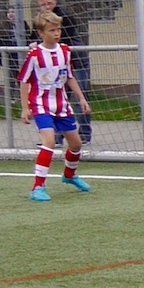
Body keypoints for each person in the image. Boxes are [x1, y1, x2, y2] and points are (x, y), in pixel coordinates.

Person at [19, 11, 92, 202]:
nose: (56, 33)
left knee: (76, 144)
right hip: (40, 104)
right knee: (49, 142)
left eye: (58, 29)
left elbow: (69, 77)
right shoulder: (35, 55)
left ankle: (69, 175)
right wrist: (25, 108)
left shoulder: (65, 51)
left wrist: (81, 98)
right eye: (52, 30)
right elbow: (24, 81)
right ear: (41, 33)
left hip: (61, 105)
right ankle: (38, 187)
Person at [35, 0, 92, 146]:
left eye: (50, 3)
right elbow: (35, 38)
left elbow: (62, 39)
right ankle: (55, 136)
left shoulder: (64, 16)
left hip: (76, 62)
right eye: (44, 4)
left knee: (80, 97)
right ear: (39, 4)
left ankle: (84, 133)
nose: (47, 6)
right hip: (55, 66)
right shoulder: (39, 20)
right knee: (55, 99)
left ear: (55, 1)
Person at [0, 7, 22, 104]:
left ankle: (23, 96)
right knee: (10, 77)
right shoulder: (4, 26)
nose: (11, 14)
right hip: (10, 56)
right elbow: (0, 42)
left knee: (22, 77)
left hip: (20, 55)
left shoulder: (22, 24)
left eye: (13, 12)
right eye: (9, 12)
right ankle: (11, 98)